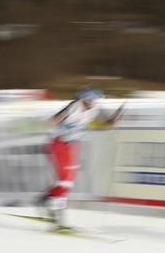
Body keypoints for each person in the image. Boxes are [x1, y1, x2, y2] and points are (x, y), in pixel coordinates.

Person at [38, 88, 118, 230]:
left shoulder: (94, 109)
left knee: (68, 181)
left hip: (72, 145)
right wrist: (55, 125)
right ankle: (57, 216)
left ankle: (46, 199)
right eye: (90, 101)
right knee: (65, 182)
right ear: (83, 100)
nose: (93, 104)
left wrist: (109, 123)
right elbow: (52, 121)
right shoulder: (73, 107)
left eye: (95, 101)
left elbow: (97, 124)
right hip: (59, 143)